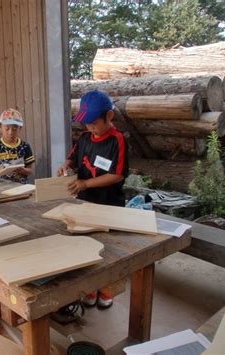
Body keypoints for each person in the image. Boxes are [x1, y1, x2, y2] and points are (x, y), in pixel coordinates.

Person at [57, 90, 129, 309]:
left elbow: (117, 174)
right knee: (84, 246)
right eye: (85, 123)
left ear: (109, 117)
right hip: (84, 203)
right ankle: (89, 288)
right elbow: (73, 157)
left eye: (93, 123)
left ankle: (106, 290)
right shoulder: (85, 137)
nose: (89, 127)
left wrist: (86, 183)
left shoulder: (118, 141)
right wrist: (66, 165)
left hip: (110, 206)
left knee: (108, 251)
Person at [0, 108, 35, 183]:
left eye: (14, 129)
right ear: (0, 127)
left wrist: (23, 170)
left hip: (20, 187)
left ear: (20, 128)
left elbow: (30, 171)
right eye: (7, 128)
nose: (10, 132)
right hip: (1, 185)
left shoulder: (25, 146)